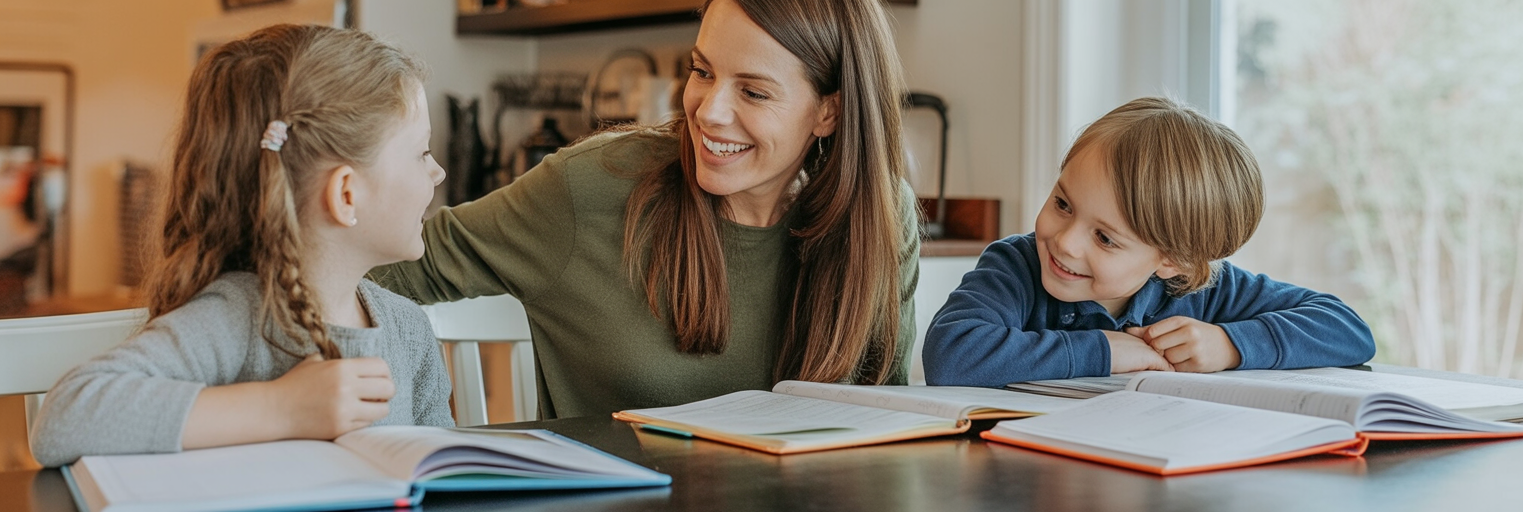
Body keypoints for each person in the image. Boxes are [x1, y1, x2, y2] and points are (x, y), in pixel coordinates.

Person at [370, 0, 920, 419]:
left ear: (830, 110)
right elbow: (372, 269)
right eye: (702, 71)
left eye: (753, 93)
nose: (709, 111)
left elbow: (890, 422)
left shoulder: (881, 218)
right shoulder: (592, 188)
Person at [29, 24, 452, 467]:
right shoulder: (235, 317)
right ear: (346, 194)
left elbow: (443, 474)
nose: (438, 172)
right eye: (422, 152)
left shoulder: (409, 330)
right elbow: (64, 420)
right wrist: (281, 408)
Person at [923, 97, 1375, 387]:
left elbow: (1347, 329)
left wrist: (1230, 344)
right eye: (1063, 203)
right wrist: (1105, 350)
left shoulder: (1203, 290)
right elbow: (951, 355)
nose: (1065, 242)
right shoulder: (1016, 267)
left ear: (1173, 262)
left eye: (1104, 237)